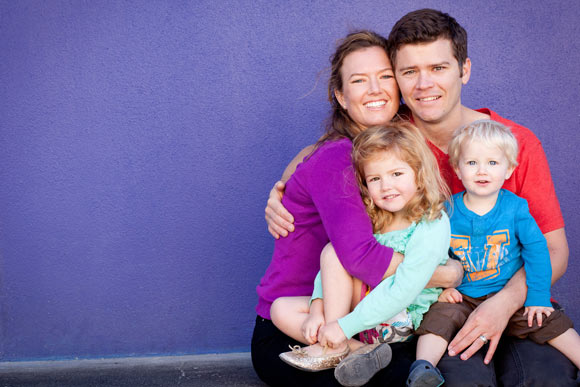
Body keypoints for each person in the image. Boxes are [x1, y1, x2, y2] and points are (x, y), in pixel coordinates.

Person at [265, 9, 577, 386]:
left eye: (439, 68)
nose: (424, 84)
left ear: (464, 70)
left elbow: (554, 249)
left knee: (548, 379)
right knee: (458, 382)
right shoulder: (393, 144)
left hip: (515, 297)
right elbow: (327, 152)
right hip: (440, 309)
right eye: (409, 72)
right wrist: (281, 187)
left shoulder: (513, 144)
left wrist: (505, 302)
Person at [252, 30, 463, 387]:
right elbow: (360, 258)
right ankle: (349, 350)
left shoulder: (389, 153)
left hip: (368, 314)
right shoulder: (338, 158)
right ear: (340, 96)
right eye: (359, 80)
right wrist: (446, 274)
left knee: (454, 367)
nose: (376, 89)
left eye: (385, 77)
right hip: (300, 325)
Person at [271, 123, 450, 387]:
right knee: (280, 309)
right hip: (361, 316)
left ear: (419, 175)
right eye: (375, 179)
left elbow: (404, 289)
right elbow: (331, 268)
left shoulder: (431, 223)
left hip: (400, 316)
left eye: (397, 173)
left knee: (334, 252)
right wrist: (317, 308)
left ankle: (334, 344)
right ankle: (356, 350)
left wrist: (342, 325)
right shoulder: (375, 217)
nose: (386, 186)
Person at [408, 120, 580, 386]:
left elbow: (537, 250)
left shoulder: (516, 209)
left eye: (492, 163)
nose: (482, 171)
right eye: (472, 163)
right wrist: (442, 289)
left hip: (509, 297)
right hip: (463, 297)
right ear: (457, 168)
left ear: (509, 169)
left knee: (547, 319)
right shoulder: (447, 211)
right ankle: (423, 368)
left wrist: (537, 296)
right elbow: (433, 251)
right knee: (439, 317)